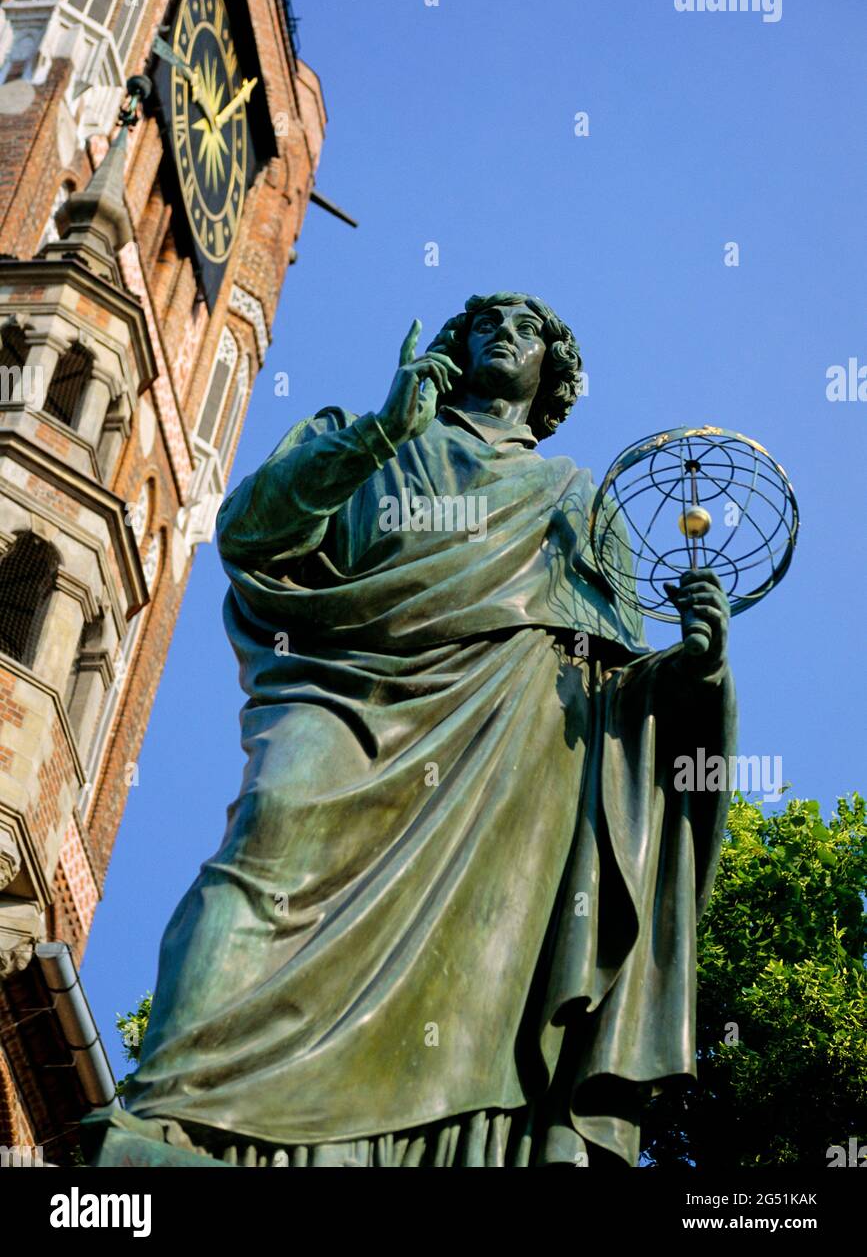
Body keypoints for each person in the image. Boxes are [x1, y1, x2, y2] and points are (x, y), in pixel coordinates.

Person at [120, 292, 735, 1167]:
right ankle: (171, 1114)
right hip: (350, 692)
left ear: (550, 375)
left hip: (510, 738)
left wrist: (695, 668)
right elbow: (252, 533)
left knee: (483, 967)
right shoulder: (368, 433)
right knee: (269, 831)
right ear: (454, 345)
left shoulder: (574, 501)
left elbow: (613, 680)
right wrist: (381, 429)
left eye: (527, 329)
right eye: (486, 321)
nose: (504, 334)